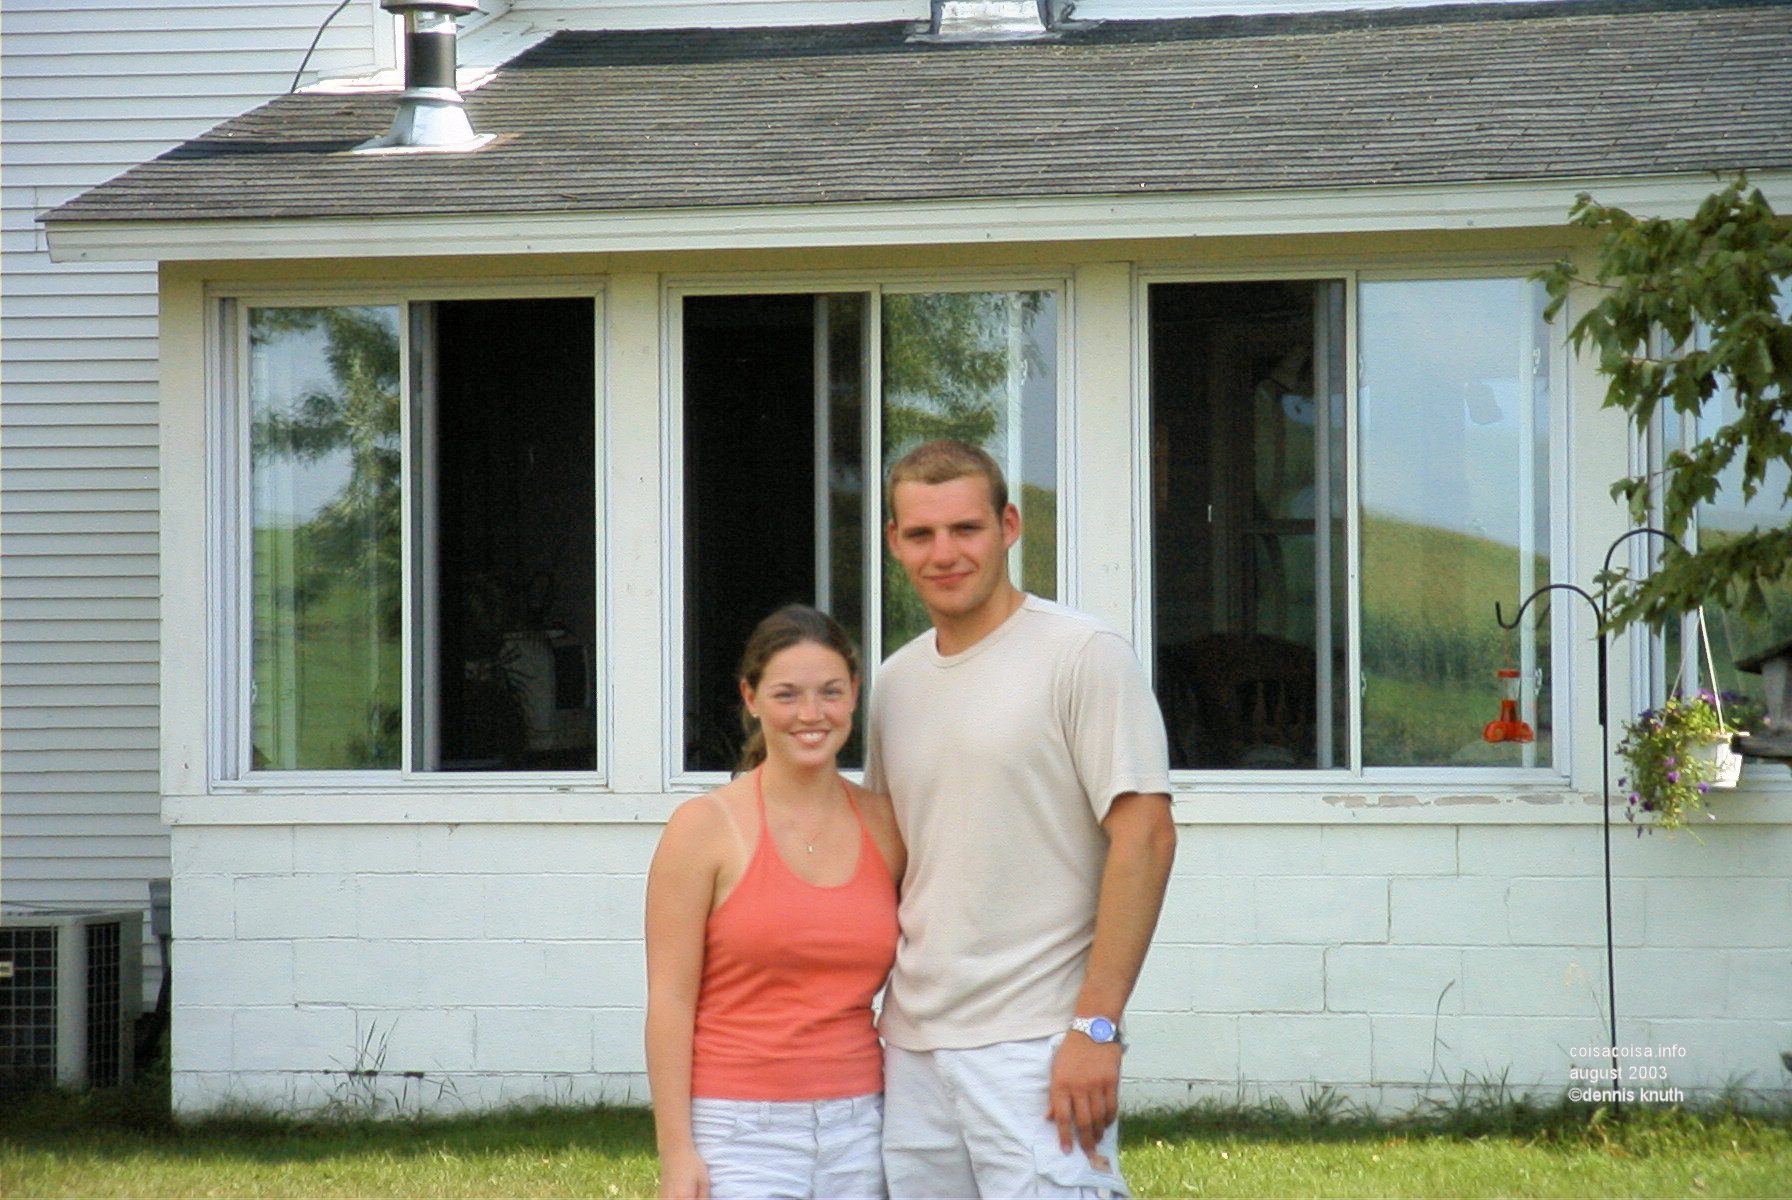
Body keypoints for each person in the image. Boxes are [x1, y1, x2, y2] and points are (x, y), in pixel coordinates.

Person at [866, 440, 1176, 1199]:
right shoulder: (893, 682)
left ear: (1008, 526)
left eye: (965, 529)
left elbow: (1145, 837)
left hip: (1038, 1044)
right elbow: (887, 860)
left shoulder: (1083, 655)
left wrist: (1096, 1028)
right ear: (893, 542)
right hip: (909, 1048)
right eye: (921, 534)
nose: (945, 553)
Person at [645, 605, 905, 1200]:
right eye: (787, 694)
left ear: (854, 695)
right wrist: (677, 1151)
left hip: (862, 1127)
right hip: (738, 1132)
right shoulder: (703, 828)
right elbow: (670, 999)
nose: (811, 715)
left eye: (830, 692)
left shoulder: (886, 825)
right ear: (751, 697)